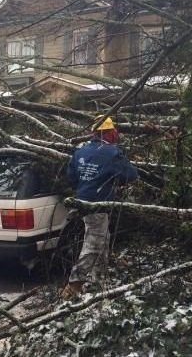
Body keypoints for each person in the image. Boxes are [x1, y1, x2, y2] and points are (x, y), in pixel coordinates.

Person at [61, 116, 138, 300]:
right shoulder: (112, 152)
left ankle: (99, 279)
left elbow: (71, 177)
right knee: (94, 242)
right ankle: (73, 285)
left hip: (82, 201)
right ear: (110, 132)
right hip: (97, 203)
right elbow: (131, 175)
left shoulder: (80, 151)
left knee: (103, 237)